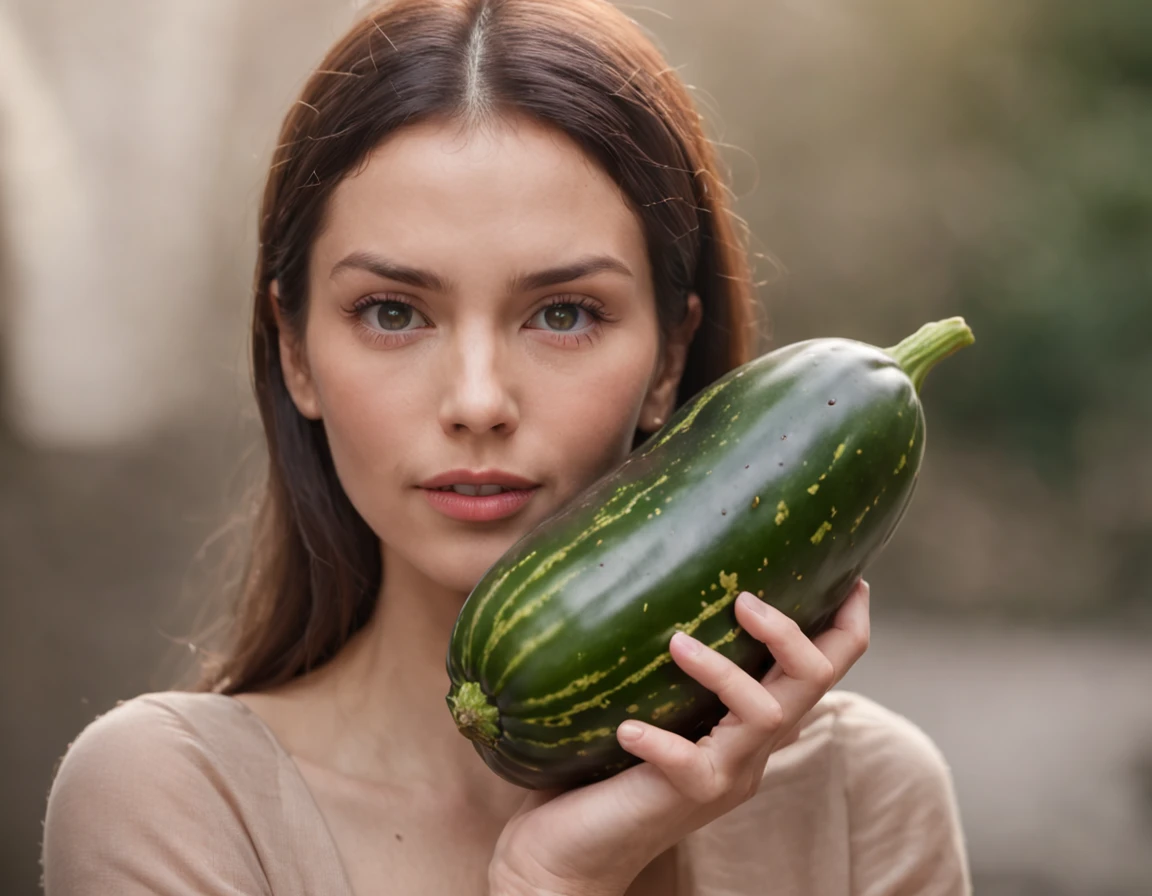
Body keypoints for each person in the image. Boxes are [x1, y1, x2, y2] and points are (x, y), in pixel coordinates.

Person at [40, 1, 971, 893]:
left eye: (563, 314)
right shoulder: (173, 800)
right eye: (393, 313)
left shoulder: (863, 799)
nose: (478, 401)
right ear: (296, 355)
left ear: (668, 359)